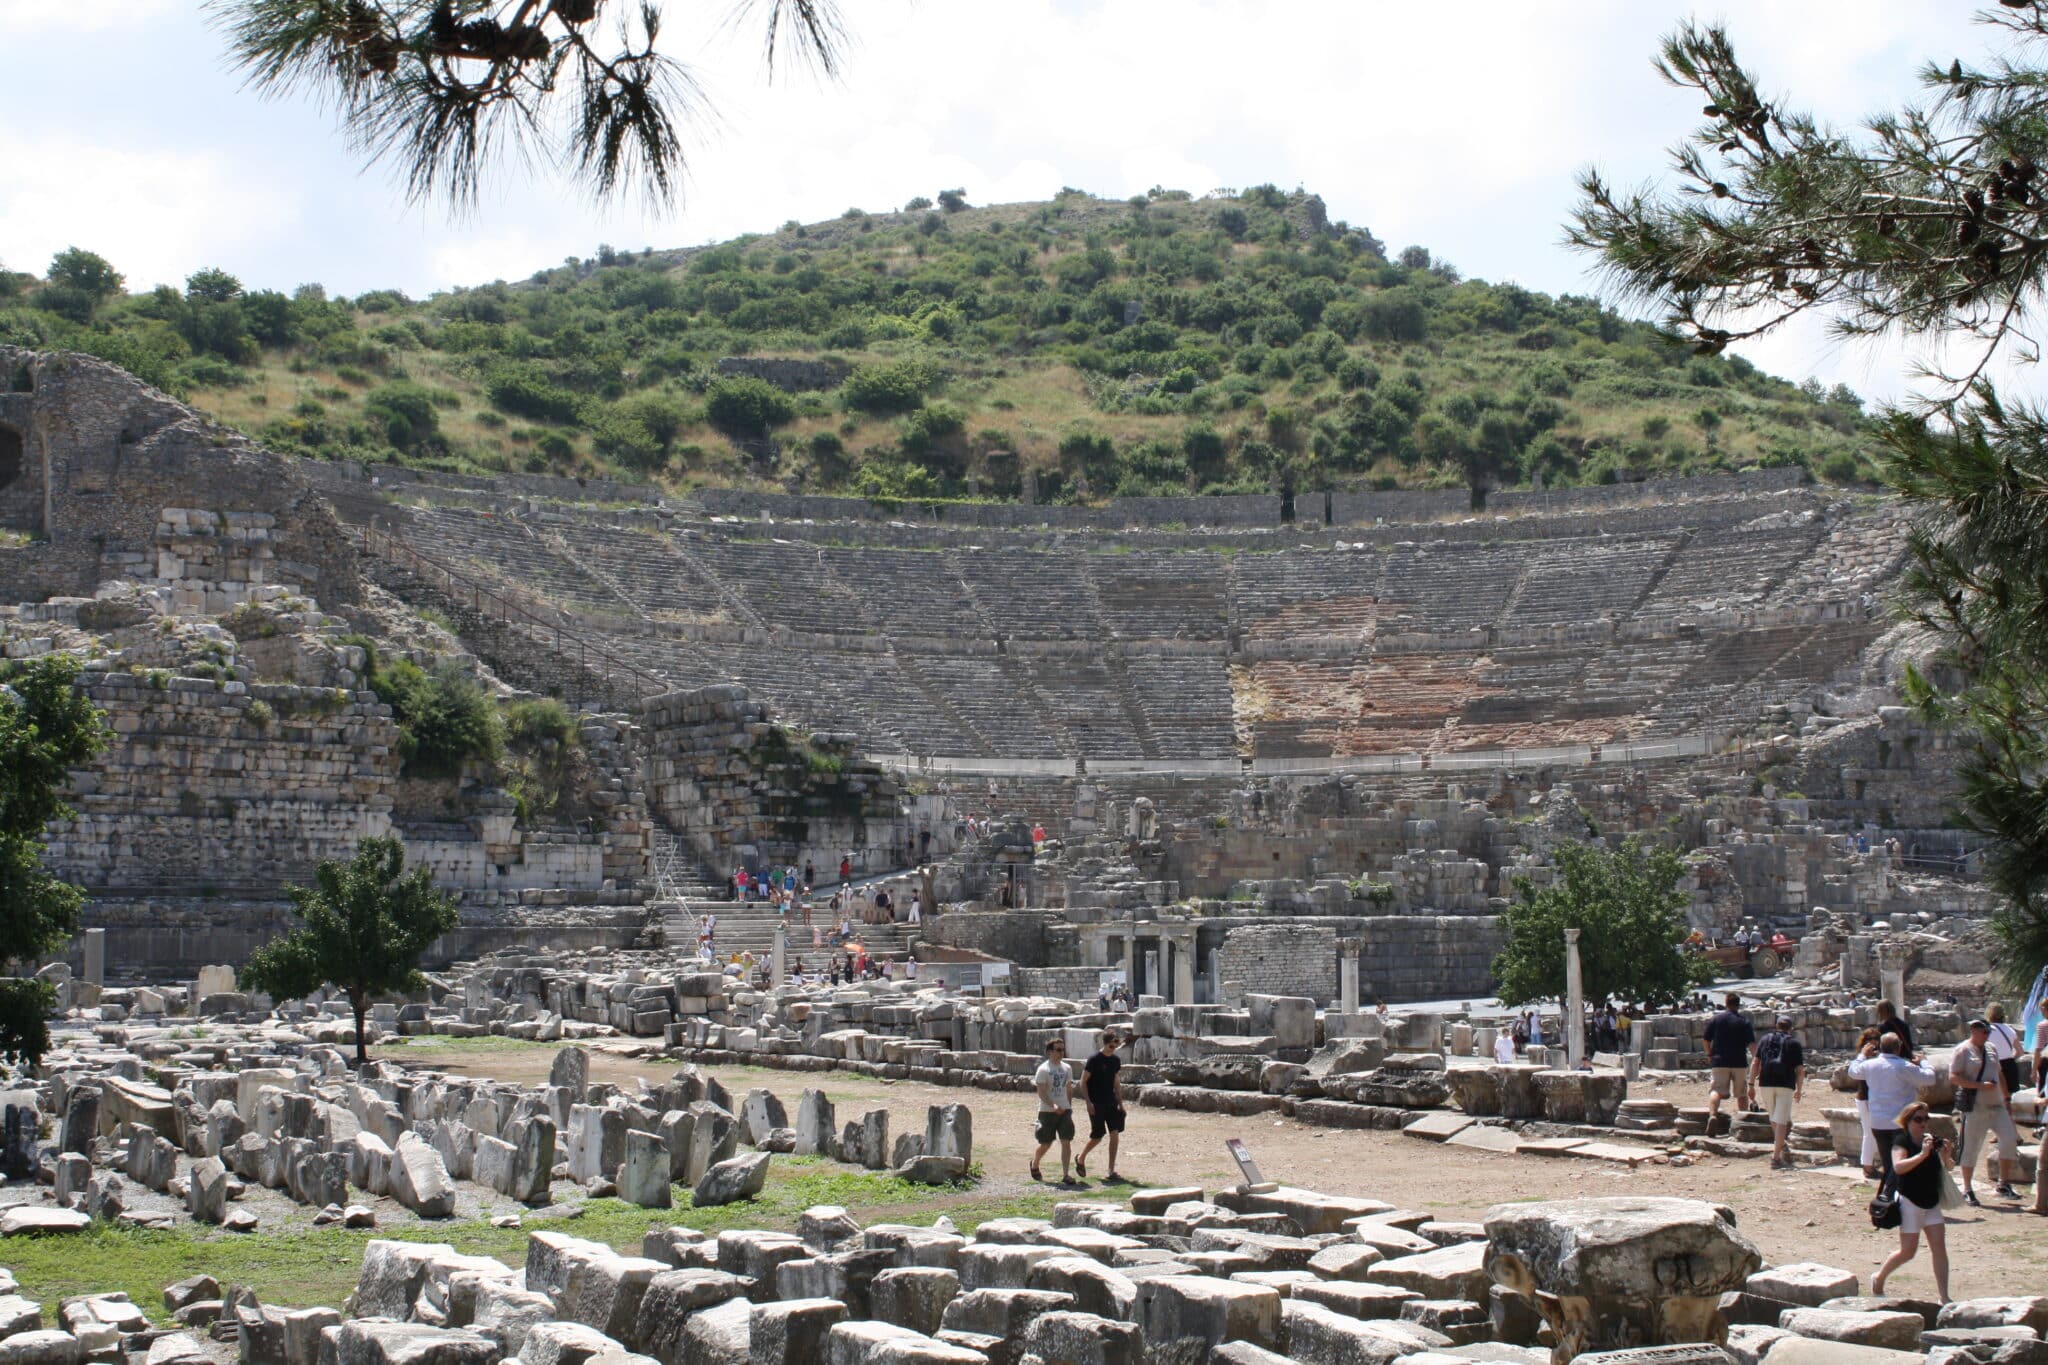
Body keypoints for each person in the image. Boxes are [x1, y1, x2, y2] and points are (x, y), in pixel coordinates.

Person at [1872, 1102, 1953, 1303]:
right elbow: (1898, 1167)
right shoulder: (1902, 1141)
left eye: (1926, 1119)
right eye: (1918, 1119)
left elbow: (1948, 1167)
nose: (1923, 1123)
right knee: (1908, 1252)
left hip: (1931, 1201)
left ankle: (1944, 1297)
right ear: (1907, 1121)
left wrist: (1946, 1155)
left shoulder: (1931, 1141)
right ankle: (1879, 1277)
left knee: (1939, 1248)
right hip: (1910, 1201)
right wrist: (1922, 1155)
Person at [1949, 1017, 2023, 1204]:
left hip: (1997, 1103)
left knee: (2009, 1140)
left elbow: (1999, 1073)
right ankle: (1967, 1188)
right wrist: (1979, 1085)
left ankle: (2003, 1183)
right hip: (1976, 1105)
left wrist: (2006, 1098)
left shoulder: (1991, 1048)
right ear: (1974, 1030)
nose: (1987, 1035)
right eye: (1984, 1032)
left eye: (1989, 1032)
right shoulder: (1962, 1050)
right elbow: (1954, 1077)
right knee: (1972, 1146)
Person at [1850, 1034, 1937, 1189]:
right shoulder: (1905, 1066)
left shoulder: (1870, 1065)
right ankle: (1895, 1195)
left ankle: (1888, 1195)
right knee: (1901, 1162)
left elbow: (1853, 1071)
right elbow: (1930, 1078)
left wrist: (1862, 1054)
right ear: (1899, 1047)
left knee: (1888, 1162)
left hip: (1878, 1122)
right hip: (1900, 1123)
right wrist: (1924, 1062)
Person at [1749, 1013, 1806, 1169]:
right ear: (1791, 1029)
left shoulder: (1765, 1039)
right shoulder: (1794, 1043)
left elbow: (1756, 1062)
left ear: (1776, 1026)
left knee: (1774, 1118)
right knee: (1780, 1121)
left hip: (1766, 1081)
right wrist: (1799, 1090)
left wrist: (1751, 1083)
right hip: (1786, 1083)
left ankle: (1780, 1145)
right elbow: (1800, 1070)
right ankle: (1775, 1157)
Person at [1076, 1031, 1126, 1182]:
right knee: (1097, 1136)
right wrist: (1088, 1102)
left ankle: (1111, 1170)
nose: (1114, 1045)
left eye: (1117, 1043)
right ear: (1106, 1042)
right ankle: (1081, 1157)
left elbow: (1116, 1082)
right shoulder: (1094, 1059)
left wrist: (1121, 1103)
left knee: (1115, 1134)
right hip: (1096, 1103)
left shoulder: (1116, 1060)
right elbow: (1083, 1081)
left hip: (1111, 1102)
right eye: (1112, 1042)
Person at [1704, 993, 1755, 1138]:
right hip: (1739, 1061)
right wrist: (1757, 1060)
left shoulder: (1716, 1019)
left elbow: (1706, 1039)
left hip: (1719, 1060)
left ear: (1726, 1003)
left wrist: (1709, 1054)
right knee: (1741, 1094)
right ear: (1738, 1004)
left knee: (1716, 1091)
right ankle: (1742, 1123)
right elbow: (1752, 1044)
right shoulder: (1744, 1021)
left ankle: (1712, 1115)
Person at [1030, 1038, 1076, 1184]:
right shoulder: (1043, 1070)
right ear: (1050, 1052)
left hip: (1064, 1110)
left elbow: (1068, 1088)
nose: (1062, 1052)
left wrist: (1069, 1106)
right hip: (1047, 1111)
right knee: (1046, 1143)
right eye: (1058, 1050)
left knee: (1066, 1141)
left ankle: (1066, 1174)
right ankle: (1035, 1163)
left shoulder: (1067, 1068)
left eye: (1063, 1049)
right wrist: (1053, 1105)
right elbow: (1041, 1093)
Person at [1851, 1025, 1884, 1177]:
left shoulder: (1881, 1056)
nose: (1873, 1043)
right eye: (1870, 1039)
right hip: (1865, 1098)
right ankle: (1867, 1166)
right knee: (1869, 1133)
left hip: (1878, 1098)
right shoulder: (1862, 1058)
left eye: (1876, 1039)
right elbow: (1855, 1073)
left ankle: (1873, 1163)